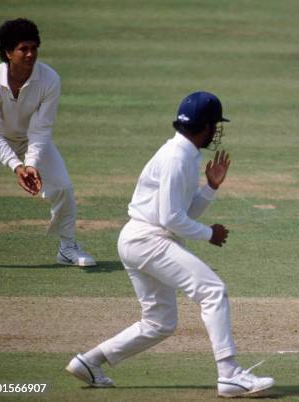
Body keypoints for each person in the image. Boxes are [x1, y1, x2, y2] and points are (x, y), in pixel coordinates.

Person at [65, 91, 275, 398]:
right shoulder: (178, 158)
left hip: (140, 239)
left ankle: (90, 361)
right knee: (212, 291)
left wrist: (211, 187)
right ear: (205, 127)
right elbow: (171, 219)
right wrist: (208, 234)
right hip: (149, 239)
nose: (215, 132)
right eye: (214, 125)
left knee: (159, 323)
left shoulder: (184, 154)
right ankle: (229, 375)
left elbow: (183, 211)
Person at [0, 18, 95, 266]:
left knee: (63, 187)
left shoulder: (50, 79)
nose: (30, 54)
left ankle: (67, 247)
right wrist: (16, 166)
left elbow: (41, 129)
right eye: (23, 49)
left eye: (34, 48)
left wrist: (29, 163)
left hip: (32, 142)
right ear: (8, 53)